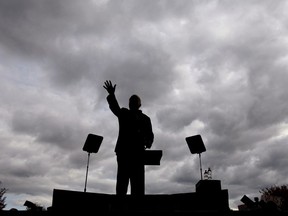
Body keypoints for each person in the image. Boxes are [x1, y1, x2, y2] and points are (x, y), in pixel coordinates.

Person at [103, 80, 154, 196]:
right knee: (122, 184)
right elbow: (115, 107)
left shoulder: (146, 119)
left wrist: (148, 142)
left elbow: (150, 135)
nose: (132, 103)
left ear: (139, 105)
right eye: (131, 101)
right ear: (129, 103)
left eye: (135, 101)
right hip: (124, 154)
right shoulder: (124, 114)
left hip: (138, 155)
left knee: (138, 186)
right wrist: (111, 95)